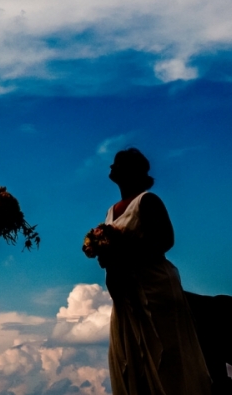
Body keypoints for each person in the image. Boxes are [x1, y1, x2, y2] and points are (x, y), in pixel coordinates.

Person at [96, 149, 209, 395]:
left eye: (118, 164)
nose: (111, 167)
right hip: (127, 298)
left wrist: (123, 250)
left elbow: (165, 241)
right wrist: (103, 253)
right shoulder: (110, 210)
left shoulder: (147, 201)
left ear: (130, 171)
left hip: (153, 290)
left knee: (165, 360)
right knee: (132, 361)